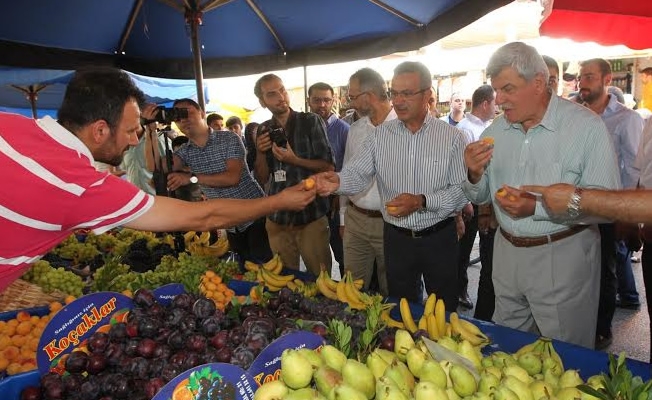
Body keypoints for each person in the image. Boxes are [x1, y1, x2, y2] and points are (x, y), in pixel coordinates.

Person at [0, 67, 315, 293]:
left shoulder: (8, 125)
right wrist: (279, 200)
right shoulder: (82, 185)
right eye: (130, 131)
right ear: (99, 131)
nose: (134, 141)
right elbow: (204, 216)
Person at [462, 42, 620, 349]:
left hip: (562, 253)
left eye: (507, 88)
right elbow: (480, 195)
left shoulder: (585, 127)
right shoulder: (495, 130)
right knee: (510, 348)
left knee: (565, 354)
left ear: (538, 83)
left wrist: (537, 206)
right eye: (496, 90)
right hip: (507, 253)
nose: (500, 99)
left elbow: (607, 205)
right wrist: (473, 173)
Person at [314, 61, 469, 309]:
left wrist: (422, 202)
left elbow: (462, 192)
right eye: (394, 93)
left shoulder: (452, 137)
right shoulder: (379, 136)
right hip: (396, 238)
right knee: (401, 307)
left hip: (439, 237)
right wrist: (337, 181)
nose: (398, 101)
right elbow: (358, 174)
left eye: (406, 93)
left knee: (444, 308)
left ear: (429, 94)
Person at [148, 98, 274, 263]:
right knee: (245, 270)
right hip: (229, 221)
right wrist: (150, 130)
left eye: (187, 113)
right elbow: (155, 167)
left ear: (201, 113)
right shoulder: (186, 151)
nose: (183, 120)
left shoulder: (228, 139)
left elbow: (232, 178)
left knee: (266, 267)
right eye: (177, 117)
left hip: (255, 215)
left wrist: (191, 178)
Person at [577, 58, 644, 349]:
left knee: (605, 270)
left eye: (589, 76)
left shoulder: (626, 119)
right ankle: (578, 325)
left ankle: (601, 329)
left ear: (607, 80)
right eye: (581, 77)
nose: (582, 82)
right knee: (577, 270)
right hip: (576, 206)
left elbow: (634, 168)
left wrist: (625, 214)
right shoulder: (574, 116)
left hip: (608, 209)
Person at [253, 74, 335, 276]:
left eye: (282, 90)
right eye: (272, 94)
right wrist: (260, 152)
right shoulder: (264, 128)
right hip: (278, 218)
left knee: (321, 278)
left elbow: (328, 167)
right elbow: (262, 178)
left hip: (310, 214)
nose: (281, 96)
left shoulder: (310, 121)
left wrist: (293, 159)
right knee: (285, 280)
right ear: (263, 102)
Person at [339, 67, 396, 296]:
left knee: (393, 290)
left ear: (368, 96)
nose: (350, 102)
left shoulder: (403, 128)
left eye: (352, 97)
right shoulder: (356, 129)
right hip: (356, 220)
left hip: (391, 223)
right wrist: (343, 218)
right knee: (352, 290)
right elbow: (347, 171)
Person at [454, 84, 496, 312]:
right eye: (495, 102)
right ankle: (459, 290)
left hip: (486, 198)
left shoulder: (490, 126)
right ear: (486, 103)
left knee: (484, 251)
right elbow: (460, 168)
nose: (497, 107)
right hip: (470, 197)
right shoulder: (465, 129)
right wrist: (465, 203)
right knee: (464, 250)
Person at [308, 82, 349, 276]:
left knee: (342, 254)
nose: (322, 105)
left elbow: (349, 169)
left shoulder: (344, 130)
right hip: (310, 204)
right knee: (317, 257)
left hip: (335, 203)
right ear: (309, 101)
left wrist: (338, 198)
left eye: (326, 100)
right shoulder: (303, 128)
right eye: (317, 100)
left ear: (333, 101)